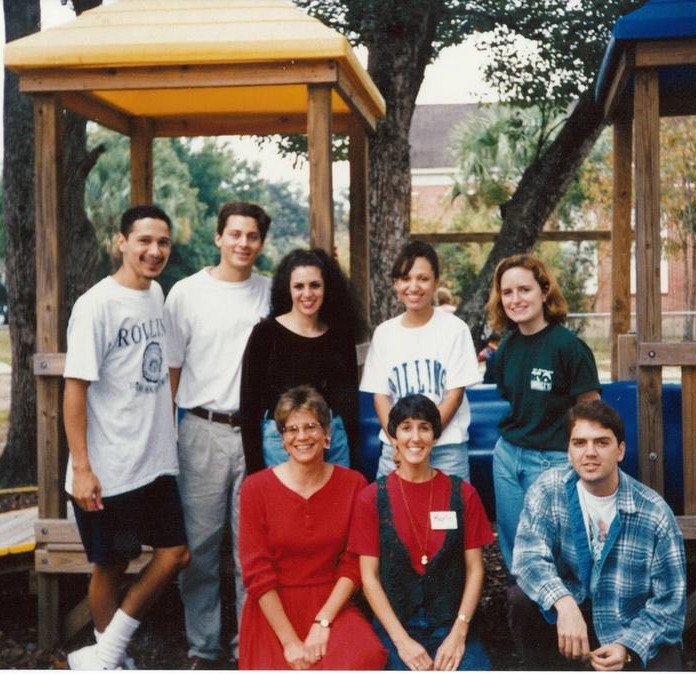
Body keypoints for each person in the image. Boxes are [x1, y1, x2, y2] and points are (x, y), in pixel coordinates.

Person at [63, 205, 191, 670]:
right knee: (111, 567)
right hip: (108, 465)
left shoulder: (157, 293)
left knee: (175, 553)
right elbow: (74, 388)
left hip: (154, 459)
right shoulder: (96, 305)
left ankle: (104, 654)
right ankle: (110, 660)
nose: (154, 251)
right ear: (121, 242)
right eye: (144, 241)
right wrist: (82, 468)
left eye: (162, 242)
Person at [164, 201, 272, 668]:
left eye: (251, 236)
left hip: (255, 433)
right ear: (218, 237)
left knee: (250, 548)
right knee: (202, 549)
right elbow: (171, 369)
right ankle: (201, 647)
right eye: (234, 234)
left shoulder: (272, 293)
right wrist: (167, 433)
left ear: (261, 242)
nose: (242, 243)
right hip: (201, 429)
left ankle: (249, 646)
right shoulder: (186, 293)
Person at [511, 399, 686, 671]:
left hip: (627, 623)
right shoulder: (548, 489)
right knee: (521, 599)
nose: (589, 452)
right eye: (579, 443)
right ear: (568, 451)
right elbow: (527, 558)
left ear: (620, 451)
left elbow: (671, 603)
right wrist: (564, 604)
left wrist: (628, 648)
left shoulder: (654, 513)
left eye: (601, 442)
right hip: (573, 617)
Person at [238, 386, 386, 670]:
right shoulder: (255, 489)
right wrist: (290, 642)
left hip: (332, 602)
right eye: (292, 429)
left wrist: (324, 621)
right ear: (282, 439)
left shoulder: (354, 484)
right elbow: (256, 572)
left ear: (327, 433)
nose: (302, 436)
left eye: (311, 426)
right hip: (273, 608)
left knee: (366, 657)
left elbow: (354, 561)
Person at [349, 395, 494, 671]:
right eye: (406, 427)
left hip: (451, 626)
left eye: (424, 427)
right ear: (393, 437)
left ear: (435, 437)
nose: (415, 438)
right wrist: (402, 642)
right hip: (396, 627)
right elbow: (369, 576)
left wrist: (458, 634)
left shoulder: (463, 494)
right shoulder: (371, 498)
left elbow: (475, 569)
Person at [486, 254, 601, 571]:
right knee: (514, 542)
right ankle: (521, 609)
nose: (515, 299)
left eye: (524, 289)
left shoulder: (568, 347)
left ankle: (562, 613)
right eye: (507, 292)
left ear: (544, 291)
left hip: (552, 459)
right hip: (508, 457)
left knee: (556, 547)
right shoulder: (506, 348)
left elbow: (591, 414)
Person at [360, 241, 480, 480]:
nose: (413, 287)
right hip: (395, 449)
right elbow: (380, 396)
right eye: (405, 278)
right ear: (396, 283)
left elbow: (454, 395)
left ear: (436, 282)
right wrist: (398, 442)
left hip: (446, 448)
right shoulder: (385, 333)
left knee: (449, 516)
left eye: (423, 279)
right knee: (391, 516)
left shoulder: (455, 329)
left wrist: (423, 440)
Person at [240, 248, 361, 472]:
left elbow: (350, 405)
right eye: (299, 286)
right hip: (280, 442)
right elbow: (249, 407)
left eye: (315, 285)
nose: (307, 293)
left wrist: (355, 459)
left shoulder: (339, 336)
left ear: (327, 287)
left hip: (333, 441)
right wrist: (255, 469)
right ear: (288, 289)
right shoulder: (265, 334)